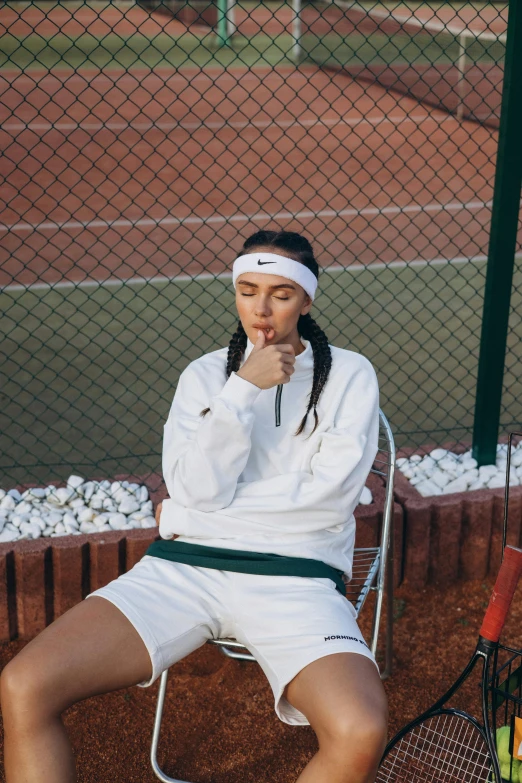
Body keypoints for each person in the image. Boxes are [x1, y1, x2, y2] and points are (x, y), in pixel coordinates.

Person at [0, 229, 388, 783]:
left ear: (307, 299)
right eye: (247, 289)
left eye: (280, 293)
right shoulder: (205, 375)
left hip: (296, 580)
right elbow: (196, 488)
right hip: (182, 570)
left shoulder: (350, 375)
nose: (260, 307)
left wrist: (197, 512)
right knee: (24, 685)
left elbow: (328, 500)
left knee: (359, 730)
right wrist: (240, 391)